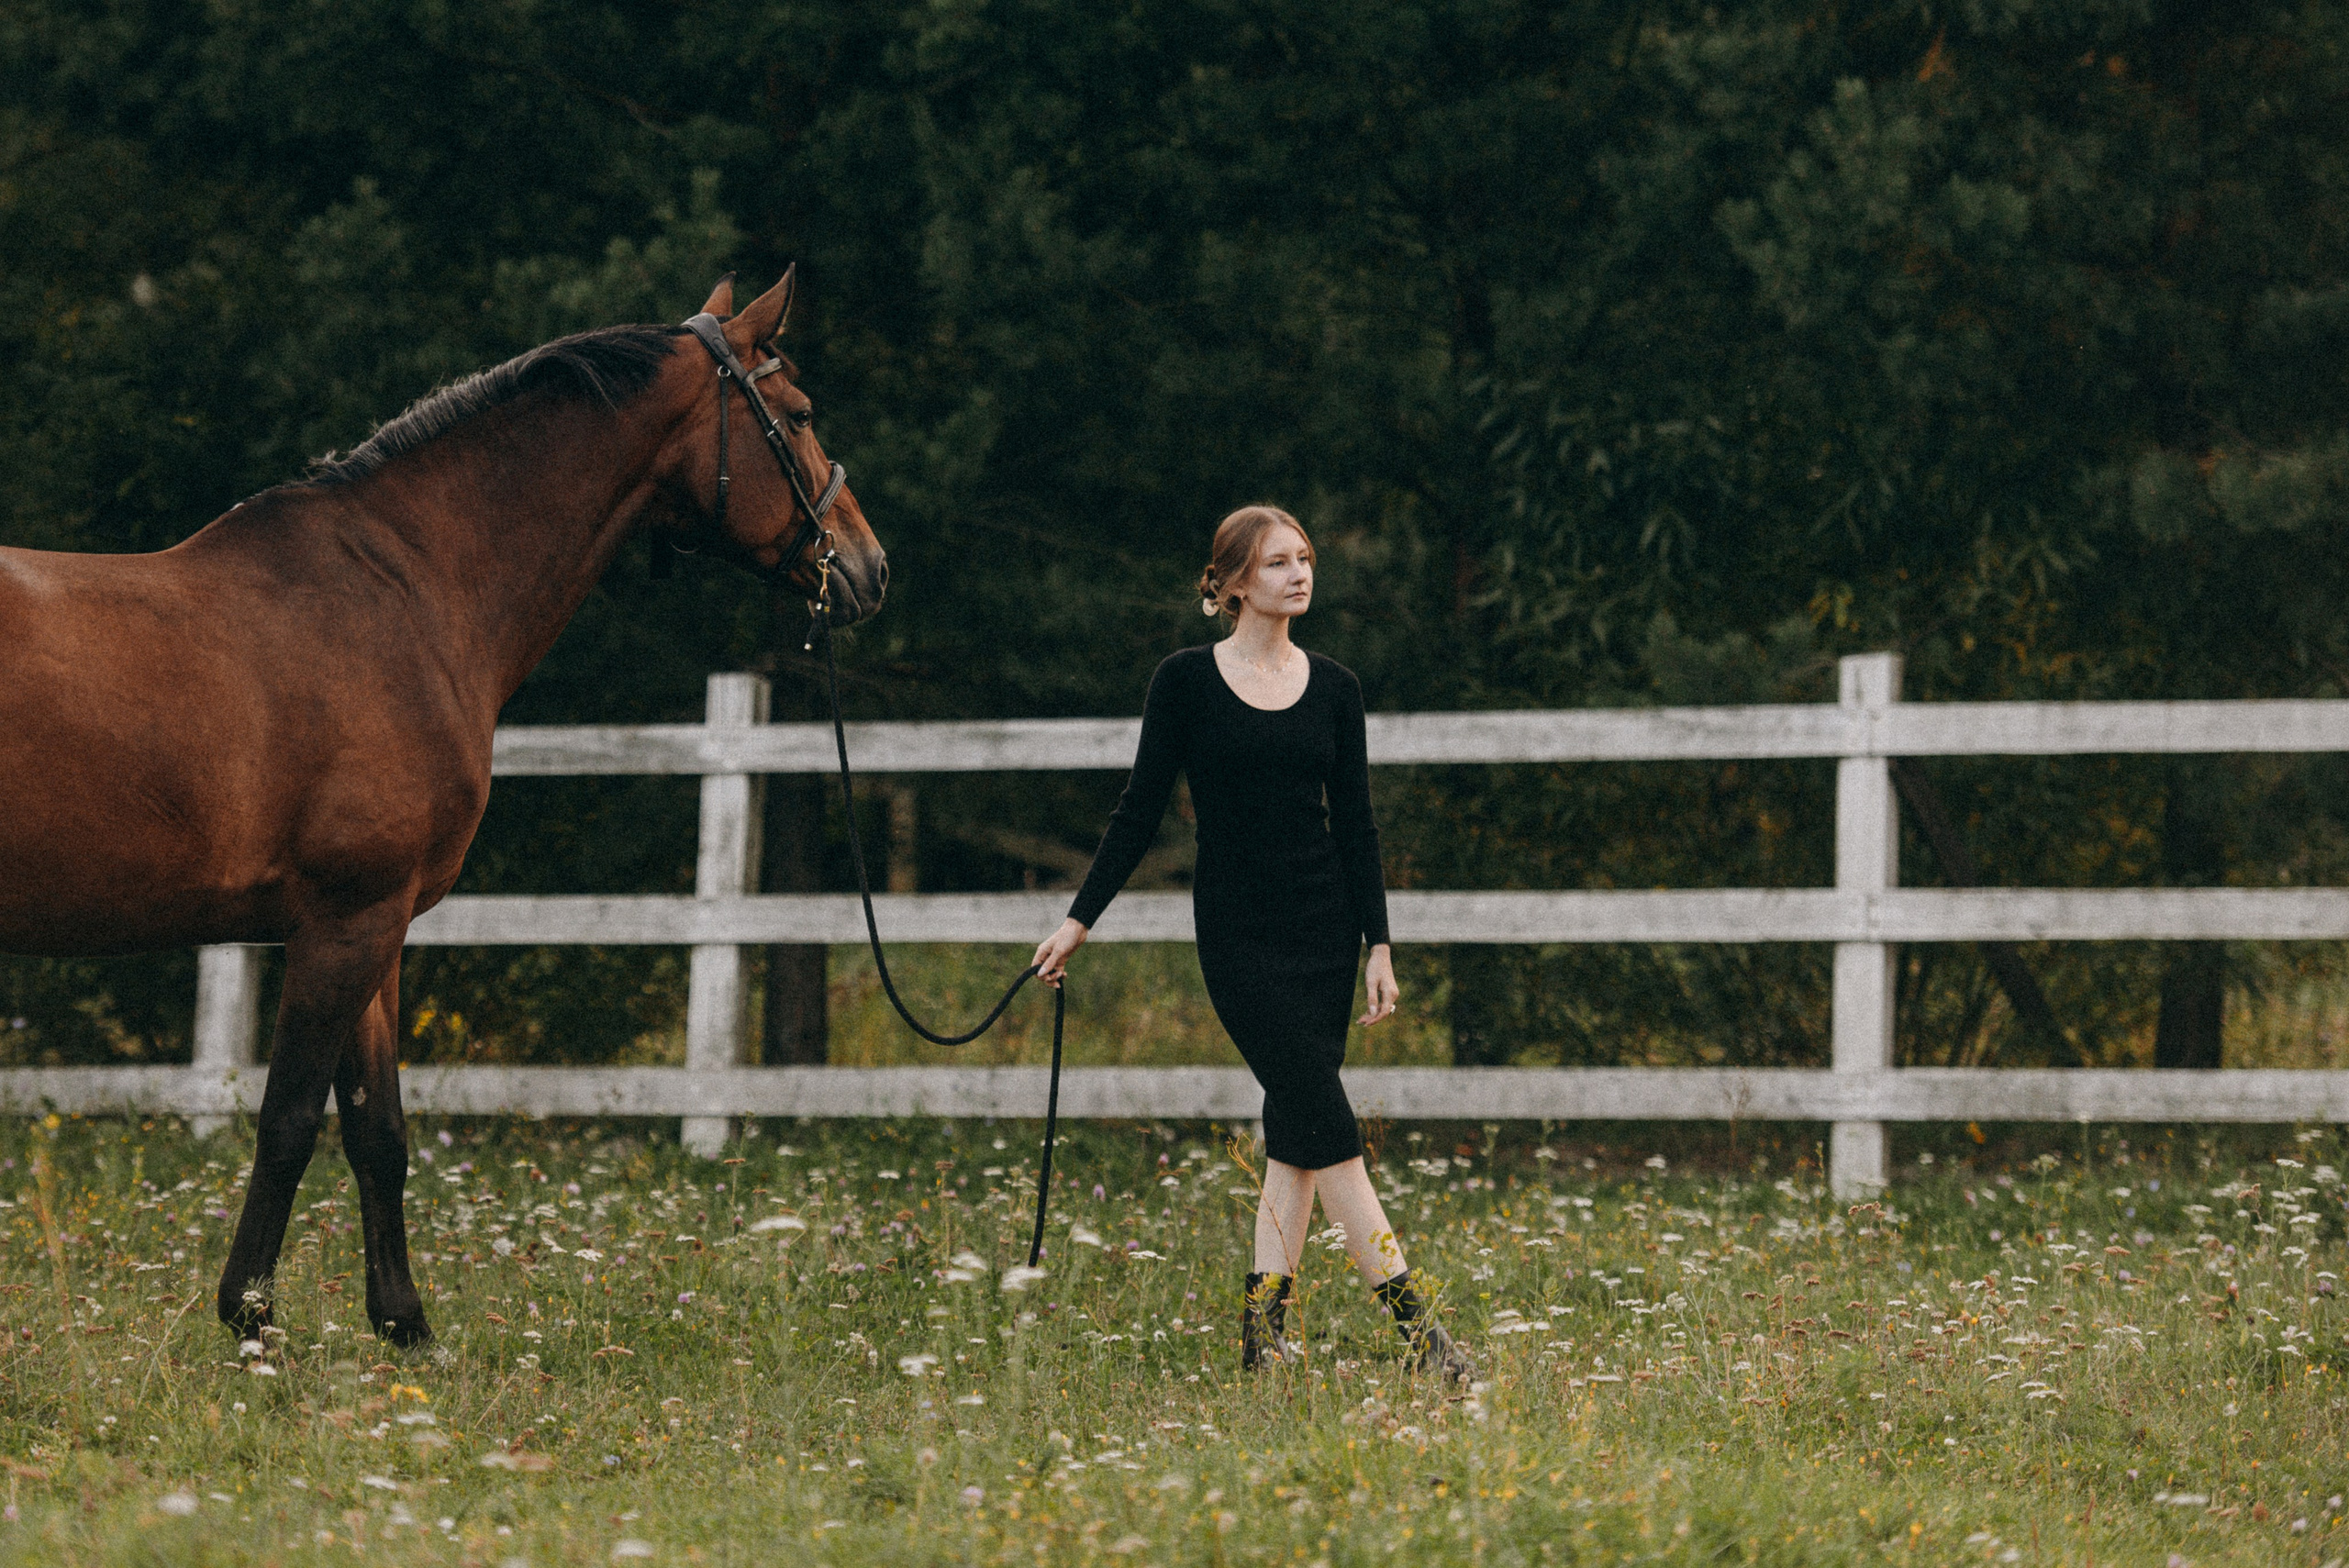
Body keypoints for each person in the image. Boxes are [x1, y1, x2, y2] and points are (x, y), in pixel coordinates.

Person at [1031, 504, 1473, 1383]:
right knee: (1325, 1116)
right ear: (1233, 582)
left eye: (1305, 558)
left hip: (1324, 926)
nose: (1300, 573)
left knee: (1298, 1128)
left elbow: (1356, 822)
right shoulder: (1185, 682)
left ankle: (1261, 1338)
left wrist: (1378, 943)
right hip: (1237, 929)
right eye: (1277, 562)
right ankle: (1422, 1334)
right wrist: (1079, 919)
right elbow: (1139, 809)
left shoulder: (1337, 687)